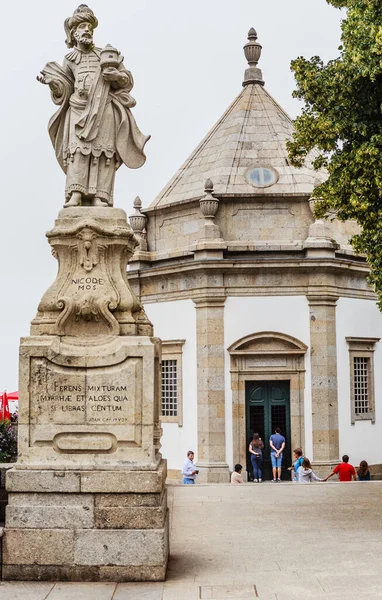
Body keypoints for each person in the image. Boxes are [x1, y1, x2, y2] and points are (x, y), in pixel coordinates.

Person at [37, 4, 149, 208]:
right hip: (78, 110)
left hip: (104, 109)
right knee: (78, 152)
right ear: (73, 32)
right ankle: (76, 194)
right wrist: (54, 84)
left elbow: (127, 79)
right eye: (81, 27)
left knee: (104, 153)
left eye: (89, 26)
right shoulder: (69, 59)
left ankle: (101, 196)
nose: (86, 30)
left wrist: (116, 76)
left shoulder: (106, 54)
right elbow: (64, 89)